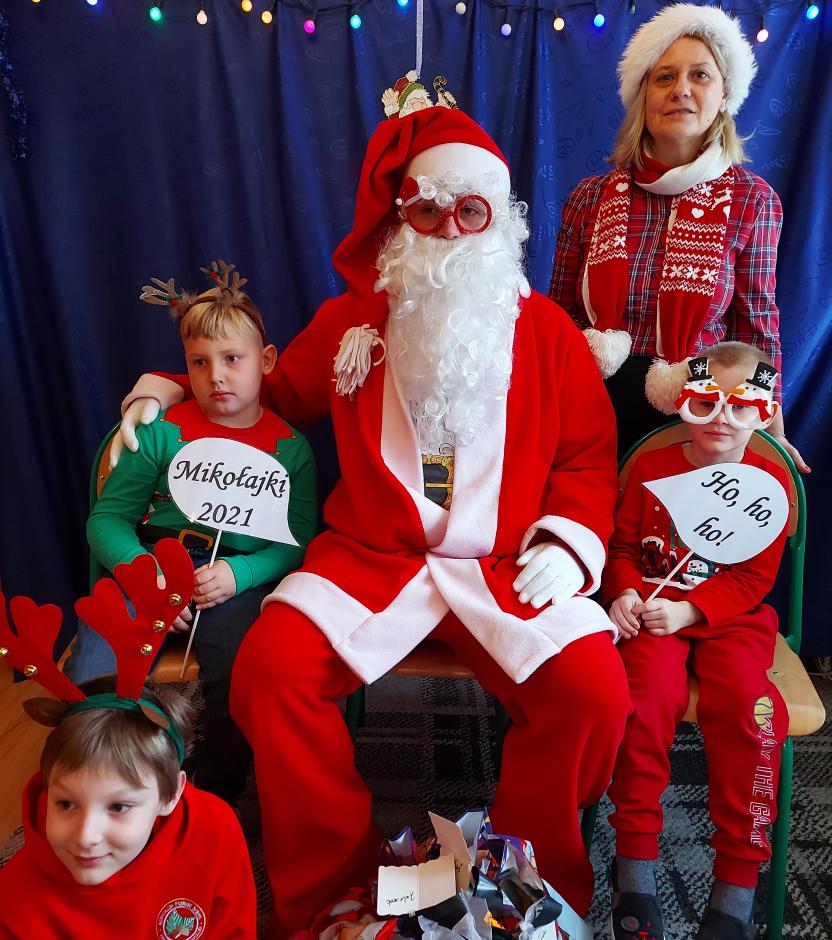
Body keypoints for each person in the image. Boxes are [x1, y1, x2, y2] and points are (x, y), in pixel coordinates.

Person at [115, 77, 631, 938]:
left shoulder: (546, 334)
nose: (450, 230)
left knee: (594, 691)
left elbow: (587, 457)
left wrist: (571, 543)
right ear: (402, 220)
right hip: (374, 558)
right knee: (271, 674)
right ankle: (334, 893)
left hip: (504, 563)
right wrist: (170, 386)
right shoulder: (355, 323)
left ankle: (529, 882)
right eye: (429, 211)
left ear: (500, 222)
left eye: (471, 211)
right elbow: (268, 395)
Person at [64, 261, 318, 804]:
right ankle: (104, 783)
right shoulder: (161, 435)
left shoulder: (290, 449)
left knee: (244, 671)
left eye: (232, 359)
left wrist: (241, 572)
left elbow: (297, 540)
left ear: (265, 361)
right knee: (96, 673)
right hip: (151, 568)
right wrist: (145, 576)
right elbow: (107, 520)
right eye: (199, 363)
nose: (216, 376)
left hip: (232, 581)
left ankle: (215, 794)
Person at [549, 3, 809, 473]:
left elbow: (756, 328)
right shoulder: (590, 197)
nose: (681, 90)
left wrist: (772, 430)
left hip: (699, 417)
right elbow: (559, 319)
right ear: (642, 94)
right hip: (588, 410)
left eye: (700, 75)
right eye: (664, 77)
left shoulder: (753, 201)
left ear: (724, 94)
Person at [604, 341, 789, 940]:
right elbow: (622, 548)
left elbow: (755, 579)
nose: (721, 420)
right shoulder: (651, 468)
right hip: (654, 611)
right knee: (643, 700)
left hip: (732, 618)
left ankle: (736, 886)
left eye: (741, 407)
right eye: (706, 402)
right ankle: (634, 868)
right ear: (682, 400)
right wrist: (623, 591)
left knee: (749, 709)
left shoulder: (770, 482)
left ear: (764, 413)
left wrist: (693, 611)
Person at [0, 542, 257, 939]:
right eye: (65, 803)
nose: (85, 836)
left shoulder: (215, 833)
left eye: (118, 806)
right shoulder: (15, 898)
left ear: (172, 794)